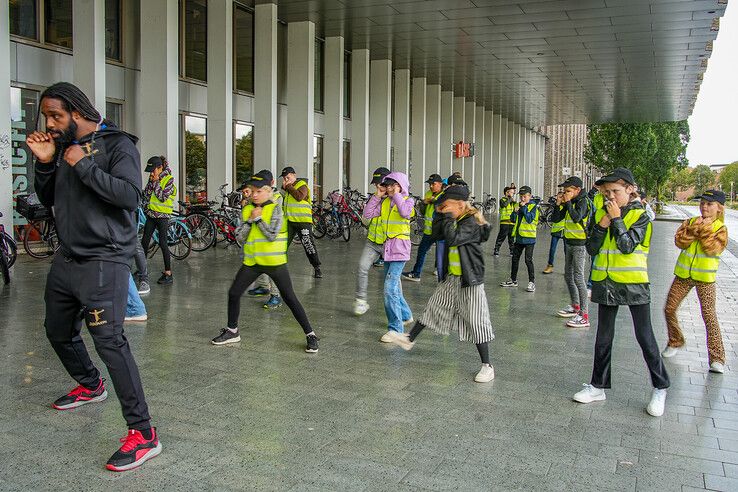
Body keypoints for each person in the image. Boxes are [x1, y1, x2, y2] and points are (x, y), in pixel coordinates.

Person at [27, 82, 160, 471]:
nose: (50, 124)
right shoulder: (64, 149)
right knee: (56, 330)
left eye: (56, 116)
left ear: (77, 111)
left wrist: (80, 163)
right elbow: (49, 197)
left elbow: (127, 197)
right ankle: (91, 384)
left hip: (105, 261)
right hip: (68, 259)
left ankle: (145, 434)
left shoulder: (118, 146)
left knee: (110, 343)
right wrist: (47, 161)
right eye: (46, 117)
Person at [572, 167, 669, 417]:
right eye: (606, 193)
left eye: (615, 191)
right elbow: (592, 248)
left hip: (634, 283)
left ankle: (660, 386)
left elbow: (626, 247)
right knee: (603, 337)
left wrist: (615, 219)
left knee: (645, 337)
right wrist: (603, 224)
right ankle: (597, 386)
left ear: (630, 189)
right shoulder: (603, 214)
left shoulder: (641, 215)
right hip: (605, 281)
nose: (609, 197)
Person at [387, 185, 495, 383]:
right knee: (433, 307)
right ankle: (409, 339)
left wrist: (445, 217)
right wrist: (439, 214)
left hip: (470, 281)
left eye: (448, 205)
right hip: (452, 278)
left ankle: (487, 365)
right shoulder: (456, 219)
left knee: (476, 320)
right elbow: (437, 235)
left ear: (460, 205)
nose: (446, 208)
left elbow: (453, 240)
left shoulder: (469, 222)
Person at [211, 170, 320, 352]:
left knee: (290, 298)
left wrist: (258, 219)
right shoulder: (247, 209)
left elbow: (271, 234)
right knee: (233, 293)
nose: (254, 194)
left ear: (269, 191)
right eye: (252, 191)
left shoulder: (275, 208)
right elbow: (239, 237)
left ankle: (310, 334)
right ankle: (232, 331)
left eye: (259, 191)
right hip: (253, 262)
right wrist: (250, 221)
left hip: (275, 263)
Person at [662, 190, 728, 374]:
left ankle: (717, 358)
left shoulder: (720, 228)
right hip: (683, 275)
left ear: (719, 208)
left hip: (705, 279)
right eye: (703, 203)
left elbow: (712, 249)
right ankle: (675, 340)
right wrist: (694, 229)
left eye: (709, 204)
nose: (704, 207)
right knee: (669, 308)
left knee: (709, 315)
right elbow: (680, 241)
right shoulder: (690, 222)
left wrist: (703, 230)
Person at [362, 172, 415, 341]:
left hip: (400, 250)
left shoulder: (408, 201)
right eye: (389, 185)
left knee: (389, 288)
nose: (390, 188)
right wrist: (377, 196)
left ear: (401, 186)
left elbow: (405, 213)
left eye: (394, 185)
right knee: (393, 288)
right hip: (388, 250)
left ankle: (396, 329)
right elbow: (368, 214)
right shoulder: (384, 203)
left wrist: (398, 195)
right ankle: (406, 315)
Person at [552, 176, 592, 328]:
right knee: (568, 276)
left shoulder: (583, 201)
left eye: (568, 191)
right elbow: (556, 219)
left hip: (580, 244)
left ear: (577, 190)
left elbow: (576, 218)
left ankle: (584, 314)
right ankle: (575, 306)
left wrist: (568, 202)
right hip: (569, 242)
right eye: (564, 191)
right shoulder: (572, 202)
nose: (565, 193)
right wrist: (558, 204)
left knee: (578, 277)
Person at [354, 167, 391, 316]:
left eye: (380, 184)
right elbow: (366, 220)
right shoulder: (375, 198)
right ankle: (361, 300)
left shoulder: (395, 199)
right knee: (362, 267)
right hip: (372, 242)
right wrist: (376, 197)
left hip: (389, 244)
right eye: (376, 185)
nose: (377, 187)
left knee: (392, 279)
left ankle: (399, 308)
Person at [280, 166, 322, 278]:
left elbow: (299, 197)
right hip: (290, 221)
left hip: (303, 222)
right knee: (282, 244)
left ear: (294, 175)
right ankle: (278, 267)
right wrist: (287, 187)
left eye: (288, 177)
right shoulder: (289, 189)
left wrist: (288, 186)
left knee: (308, 244)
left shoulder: (302, 184)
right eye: (284, 178)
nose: (286, 180)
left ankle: (317, 267)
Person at [402, 173, 445, 282]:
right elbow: (423, 211)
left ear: (440, 184)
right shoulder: (428, 193)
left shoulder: (444, 195)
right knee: (421, 250)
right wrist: (424, 204)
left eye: (433, 184)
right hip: (429, 231)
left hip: (440, 231)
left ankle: (442, 278)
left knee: (440, 256)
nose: (431, 186)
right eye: (429, 184)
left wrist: (433, 201)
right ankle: (416, 273)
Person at [141, 155, 176, 285]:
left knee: (163, 243)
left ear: (160, 168)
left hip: (162, 217)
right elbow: (147, 195)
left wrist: (155, 182)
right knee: (144, 241)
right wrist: (151, 182)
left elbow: (162, 197)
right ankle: (142, 269)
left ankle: (168, 273)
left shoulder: (169, 179)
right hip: (151, 215)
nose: (151, 173)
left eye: (153, 170)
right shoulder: (153, 178)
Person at [500, 186, 539, 292]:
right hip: (519, 237)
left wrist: (524, 208)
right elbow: (512, 219)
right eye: (521, 196)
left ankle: (532, 282)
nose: (522, 198)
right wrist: (515, 212)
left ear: (530, 196)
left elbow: (530, 219)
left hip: (529, 238)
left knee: (528, 260)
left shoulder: (533, 206)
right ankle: (513, 280)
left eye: (525, 196)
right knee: (515, 259)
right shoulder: (517, 205)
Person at [543, 189, 565, 274]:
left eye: (562, 196)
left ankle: (568, 268)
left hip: (565, 230)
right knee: (552, 249)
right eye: (559, 197)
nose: (560, 198)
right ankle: (550, 265)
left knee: (567, 251)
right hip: (556, 230)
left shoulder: (567, 206)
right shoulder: (557, 206)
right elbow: (554, 219)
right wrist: (557, 204)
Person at [493, 185, 517, 256]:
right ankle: (496, 249)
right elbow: (504, 205)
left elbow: (516, 210)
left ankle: (512, 251)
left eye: (513, 193)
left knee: (511, 238)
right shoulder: (502, 200)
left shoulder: (513, 202)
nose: (513, 194)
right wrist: (510, 199)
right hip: (504, 222)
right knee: (501, 237)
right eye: (511, 193)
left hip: (512, 222)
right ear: (506, 193)